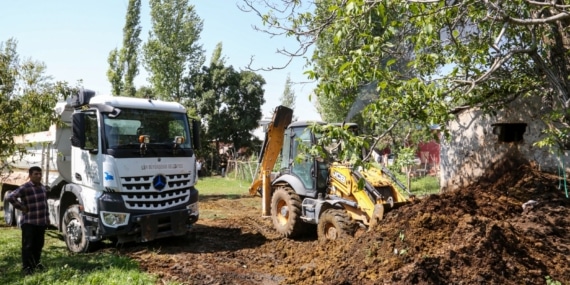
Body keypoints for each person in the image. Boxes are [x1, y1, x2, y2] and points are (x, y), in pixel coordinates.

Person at [6, 166, 50, 276]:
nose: (38, 176)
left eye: (40, 174)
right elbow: (11, 197)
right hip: (29, 222)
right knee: (28, 245)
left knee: (39, 244)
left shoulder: (42, 188)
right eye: (36, 174)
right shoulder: (25, 187)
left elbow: (45, 205)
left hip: (41, 222)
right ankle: (27, 267)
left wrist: (47, 218)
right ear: (30, 175)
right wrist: (21, 207)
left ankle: (36, 263)